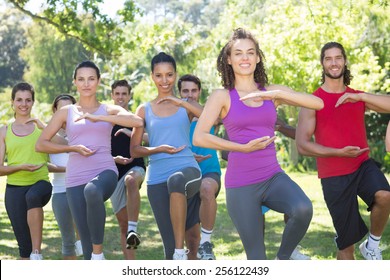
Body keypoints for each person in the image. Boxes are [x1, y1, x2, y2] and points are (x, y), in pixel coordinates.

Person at [193, 28, 324, 260]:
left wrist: (274, 94)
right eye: (238, 53)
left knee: (303, 209)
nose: (245, 58)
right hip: (241, 183)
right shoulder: (222, 96)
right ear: (229, 59)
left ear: (258, 57)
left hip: (272, 176)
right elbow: (200, 136)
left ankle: (282, 259)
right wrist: (242, 148)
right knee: (256, 260)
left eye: (250, 52)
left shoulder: (271, 92)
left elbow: (317, 103)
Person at [35, 60, 143, 260]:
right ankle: (93, 258)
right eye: (81, 79)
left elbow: (137, 121)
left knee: (92, 191)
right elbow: (41, 144)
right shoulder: (65, 112)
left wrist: (100, 118)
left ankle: (99, 254)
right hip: (75, 177)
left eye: (91, 79)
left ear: (98, 81)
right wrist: (71, 148)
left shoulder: (108, 109)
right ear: (75, 82)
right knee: (84, 242)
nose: (86, 83)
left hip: (105, 170)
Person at [296, 41, 390, 260]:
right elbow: (302, 145)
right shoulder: (313, 101)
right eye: (328, 59)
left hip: (362, 165)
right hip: (334, 176)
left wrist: (362, 97)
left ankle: (372, 245)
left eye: (338, 57)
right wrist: (338, 152)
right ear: (322, 64)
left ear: (345, 61)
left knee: (385, 196)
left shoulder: (357, 97)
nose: (334, 63)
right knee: (346, 247)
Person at [130, 52, 203, 260]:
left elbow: (210, 117)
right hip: (156, 178)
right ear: (152, 76)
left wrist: (182, 103)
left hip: (187, 169)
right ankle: (176, 254)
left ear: (175, 75)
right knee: (168, 250)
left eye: (169, 75)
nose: (165, 81)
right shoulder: (144, 110)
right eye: (159, 75)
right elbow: (134, 149)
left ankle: (181, 252)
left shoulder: (185, 106)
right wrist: (158, 149)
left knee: (176, 180)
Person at [0, 82, 53, 260]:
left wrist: (43, 125)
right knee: (23, 248)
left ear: (33, 102)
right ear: (12, 102)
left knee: (33, 196)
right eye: (19, 100)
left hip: (41, 183)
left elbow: (64, 144)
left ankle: (37, 253)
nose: (24, 104)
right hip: (14, 190)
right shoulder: (4, 132)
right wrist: (20, 167)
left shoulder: (41, 128)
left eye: (28, 100)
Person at [178, 74, 222, 260]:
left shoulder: (210, 114)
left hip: (208, 171)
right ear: (179, 93)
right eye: (185, 91)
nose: (190, 95)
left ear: (199, 91)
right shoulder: (175, 117)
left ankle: (207, 242)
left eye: (194, 90)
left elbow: (217, 118)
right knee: (191, 240)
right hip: (186, 175)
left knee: (207, 189)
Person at [109, 80, 146, 260]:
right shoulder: (105, 121)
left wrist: (128, 131)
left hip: (135, 166)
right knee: (122, 225)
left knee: (131, 180)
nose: (121, 97)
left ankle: (134, 228)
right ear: (112, 96)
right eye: (118, 94)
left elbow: (149, 138)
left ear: (129, 96)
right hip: (114, 173)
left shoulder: (135, 119)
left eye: (124, 94)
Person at [47, 94, 83, 260]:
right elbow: (43, 165)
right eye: (61, 109)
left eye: (69, 109)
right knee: (68, 243)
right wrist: (68, 169)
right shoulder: (47, 134)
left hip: (81, 191)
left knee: (87, 241)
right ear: (55, 110)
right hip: (60, 192)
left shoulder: (82, 131)